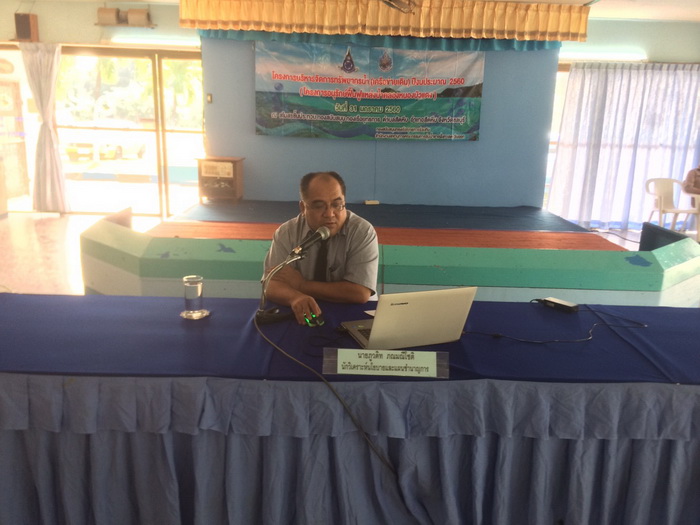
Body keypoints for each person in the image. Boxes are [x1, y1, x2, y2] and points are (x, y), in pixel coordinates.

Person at [262, 171, 379, 324]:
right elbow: (271, 283)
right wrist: (294, 297)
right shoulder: (287, 232)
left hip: (354, 311)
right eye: (319, 206)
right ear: (303, 207)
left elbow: (359, 293)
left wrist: (301, 285)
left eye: (337, 205)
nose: (330, 214)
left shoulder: (362, 231)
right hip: (303, 311)